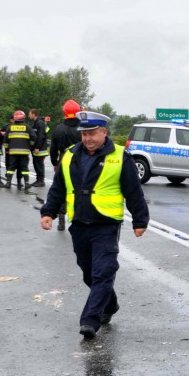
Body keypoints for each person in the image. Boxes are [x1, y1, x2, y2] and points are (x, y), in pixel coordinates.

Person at [39, 111, 150, 339]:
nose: (88, 139)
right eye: (84, 134)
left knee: (103, 272)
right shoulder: (70, 155)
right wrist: (48, 211)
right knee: (88, 272)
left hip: (106, 224)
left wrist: (140, 220)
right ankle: (110, 305)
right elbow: (58, 187)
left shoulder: (120, 157)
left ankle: (90, 320)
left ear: (104, 133)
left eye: (92, 134)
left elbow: (134, 191)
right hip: (79, 223)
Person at [49, 100, 84, 231]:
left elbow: (53, 149)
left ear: (64, 113)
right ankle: (77, 220)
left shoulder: (58, 129)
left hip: (63, 161)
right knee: (80, 190)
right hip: (81, 162)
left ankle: (61, 221)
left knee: (62, 189)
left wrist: (55, 163)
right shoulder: (82, 128)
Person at [4, 110, 35, 190]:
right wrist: (30, 146)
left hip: (13, 152)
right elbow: (33, 138)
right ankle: (27, 184)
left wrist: (7, 149)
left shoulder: (9, 127)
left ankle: (8, 182)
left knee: (11, 168)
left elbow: (5, 140)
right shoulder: (27, 127)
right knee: (24, 168)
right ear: (23, 117)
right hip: (24, 152)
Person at [28, 108, 50, 187]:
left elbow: (41, 136)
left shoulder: (40, 123)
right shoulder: (35, 123)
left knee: (39, 165)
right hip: (36, 149)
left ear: (34, 114)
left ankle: (41, 181)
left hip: (40, 149)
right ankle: (38, 180)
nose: (29, 115)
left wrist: (37, 147)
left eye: (30, 114)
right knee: (36, 164)